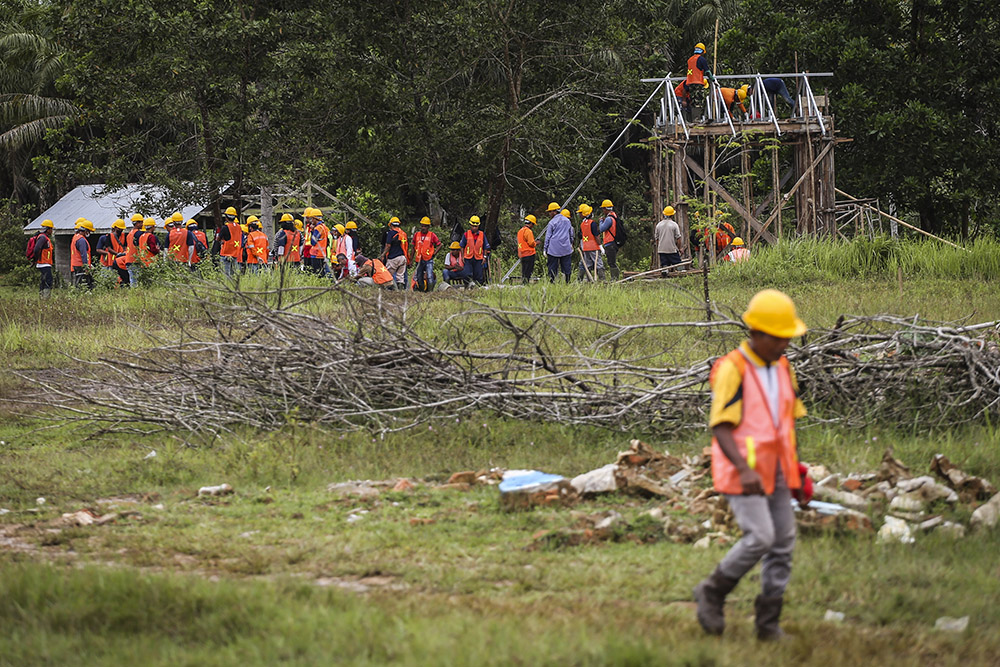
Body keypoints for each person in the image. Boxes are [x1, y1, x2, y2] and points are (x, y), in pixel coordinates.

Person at [694, 289, 808, 641]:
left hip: (777, 470)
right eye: (780, 338)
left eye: (789, 338)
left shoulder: (783, 367)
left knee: (783, 542)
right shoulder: (734, 369)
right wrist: (744, 469)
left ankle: (768, 624)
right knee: (760, 537)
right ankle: (712, 591)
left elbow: (785, 424)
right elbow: (721, 425)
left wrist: (797, 472)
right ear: (757, 333)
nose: (786, 344)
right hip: (742, 471)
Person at [542, 202, 573, 283]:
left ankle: (552, 282)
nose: (549, 214)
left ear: (554, 212)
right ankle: (567, 282)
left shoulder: (552, 222)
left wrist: (545, 249)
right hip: (566, 248)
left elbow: (548, 237)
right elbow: (571, 234)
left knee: (552, 267)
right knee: (567, 267)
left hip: (553, 249)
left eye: (550, 212)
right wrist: (571, 243)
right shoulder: (567, 220)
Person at [685, 42, 714, 122]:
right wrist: (712, 79)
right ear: (702, 51)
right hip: (697, 82)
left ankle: (693, 119)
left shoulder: (690, 59)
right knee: (699, 100)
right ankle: (696, 119)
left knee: (693, 100)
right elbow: (707, 71)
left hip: (690, 82)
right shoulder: (701, 59)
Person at [412, 216, 441, 291]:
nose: (423, 228)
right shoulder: (416, 235)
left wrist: (434, 254)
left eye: (425, 226)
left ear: (428, 227)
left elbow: (439, 245)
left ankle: (430, 291)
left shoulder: (432, 235)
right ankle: (422, 290)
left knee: (430, 276)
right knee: (419, 276)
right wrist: (411, 259)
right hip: (419, 260)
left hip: (428, 259)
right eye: (422, 226)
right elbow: (413, 247)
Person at [577, 204, 605, 281]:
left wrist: (580, 246)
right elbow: (596, 235)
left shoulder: (582, 224)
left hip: (586, 247)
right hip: (593, 247)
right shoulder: (592, 223)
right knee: (599, 263)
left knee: (588, 264)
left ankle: (589, 279)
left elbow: (582, 236)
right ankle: (602, 279)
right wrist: (600, 246)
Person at [460, 215, 490, 285]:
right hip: (468, 258)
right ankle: (467, 287)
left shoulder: (482, 235)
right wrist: (462, 256)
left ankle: (477, 289)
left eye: (476, 226)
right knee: (466, 274)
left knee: (478, 276)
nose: (474, 228)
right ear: (470, 225)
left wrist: (484, 257)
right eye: (473, 226)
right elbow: (462, 246)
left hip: (478, 258)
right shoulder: (466, 234)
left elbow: (485, 246)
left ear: (478, 226)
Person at [654, 206, 684, 270]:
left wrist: (660, 247)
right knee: (679, 266)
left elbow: (657, 239)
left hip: (662, 250)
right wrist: (679, 248)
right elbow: (678, 238)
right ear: (672, 215)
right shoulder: (674, 225)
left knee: (665, 267)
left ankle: (665, 274)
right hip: (672, 250)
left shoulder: (658, 225)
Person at [597, 199, 621, 280]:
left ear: (606, 209)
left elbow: (601, 229)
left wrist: (600, 221)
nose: (603, 211)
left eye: (603, 209)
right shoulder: (614, 215)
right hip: (614, 242)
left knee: (611, 262)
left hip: (610, 243)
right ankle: (615, 277)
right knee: (612, 261)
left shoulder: (608, 219)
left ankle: (614, 278)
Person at [381, 216, 408, 286]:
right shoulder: (403, 233)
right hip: (403, 258)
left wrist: (383, 255)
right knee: (400, 277)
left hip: (393, 258)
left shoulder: (390, 233)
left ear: (391, 225)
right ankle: (400, 291)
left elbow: (388, 245)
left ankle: (389, 290)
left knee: (388, 275)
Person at [70, 218, 96, 289]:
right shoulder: (81, 240)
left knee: (81, 283)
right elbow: (83, 254)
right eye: (89, 231)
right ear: (86, 231)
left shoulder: (76, 237)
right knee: (84, 284)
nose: (89, 233)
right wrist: (86, 266)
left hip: (76, 264)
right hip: (81, 265)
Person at [217, 206, 243, 278]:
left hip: (226, 253)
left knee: (226, 275)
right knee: (235, 274)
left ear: (226, 217)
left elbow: (218, 238)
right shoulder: (239, 227)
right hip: (235, 253)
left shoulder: (225, 227)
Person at [32, 219, 54, 297]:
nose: (52, 231)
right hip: (43, 263)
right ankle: (45, 297)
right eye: (51, 229)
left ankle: (42, 296)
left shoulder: (44, 237)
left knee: (44, 280)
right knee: (48, 280)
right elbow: (37, 249)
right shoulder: (43, 238)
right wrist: (36, 259)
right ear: (48, 229)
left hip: (45, 263)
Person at [123, 213, 145, 286]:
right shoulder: (139, 233)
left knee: (133, 279)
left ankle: (133, 294)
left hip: (128, 259)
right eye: (141, 222)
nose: (142, 224)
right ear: (137, 223)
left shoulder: (129, 233)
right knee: (137, 281)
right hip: (135, 260)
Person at [516, 214, 537, 284]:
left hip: (522, 254)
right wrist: (536, 243)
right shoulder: (528, 231)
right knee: (528, 272)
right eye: (533, 224)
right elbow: (531, 243)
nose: (533, 226)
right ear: (530, 223)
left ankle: (524, 284)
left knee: (524, 271)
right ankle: (525, 284)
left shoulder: (520, 231)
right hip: (529, 254)